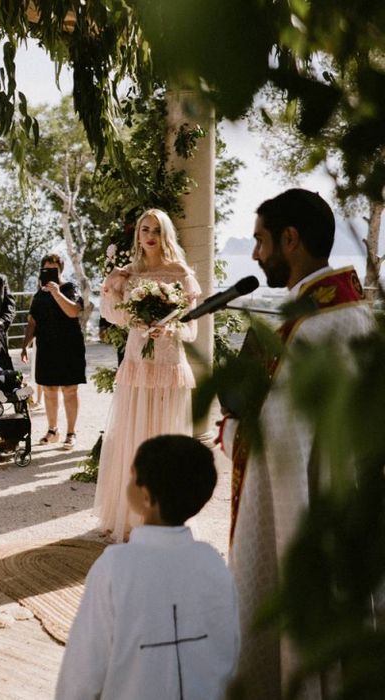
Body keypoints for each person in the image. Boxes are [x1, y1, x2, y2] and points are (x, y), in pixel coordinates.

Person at [220, 189, 374, 700]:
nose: (256, 255)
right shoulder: (365, 318)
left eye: (262, 240)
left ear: (292, 239)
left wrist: (232, 432)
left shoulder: (305, 333)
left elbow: (279, 450)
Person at [56, 435, 239, 700]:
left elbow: (83, 667)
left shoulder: (115, 567)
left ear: (145, 496)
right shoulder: (213, 563)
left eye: (131, 476)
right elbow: (229, 650)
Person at [94, 209, 201, 542]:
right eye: (144, 229)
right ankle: (133, 515)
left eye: (156, 229)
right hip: (138, 365)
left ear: (165, 234)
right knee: (134, 439)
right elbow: (116, 317)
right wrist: (112, 286)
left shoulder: (180, 273)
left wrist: (169, 329)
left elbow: (193, 330)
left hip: (169, 368)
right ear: (137, 235)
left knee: (166, 440)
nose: (150, 235)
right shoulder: (131, 273)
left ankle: (167, 515)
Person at [20, 254, 86, 450]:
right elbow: (33, 322)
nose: (50, 273)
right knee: (49, 390)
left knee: (69, 390)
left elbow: (73, 311)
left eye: (54, 269)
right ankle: (52, 430)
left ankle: (71, 432)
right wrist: (25, 345)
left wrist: (56, 293)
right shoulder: (38, 295)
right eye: (46, 269)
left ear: (61, 270)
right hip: (47, 347)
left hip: (69, 346)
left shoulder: (69, 288)